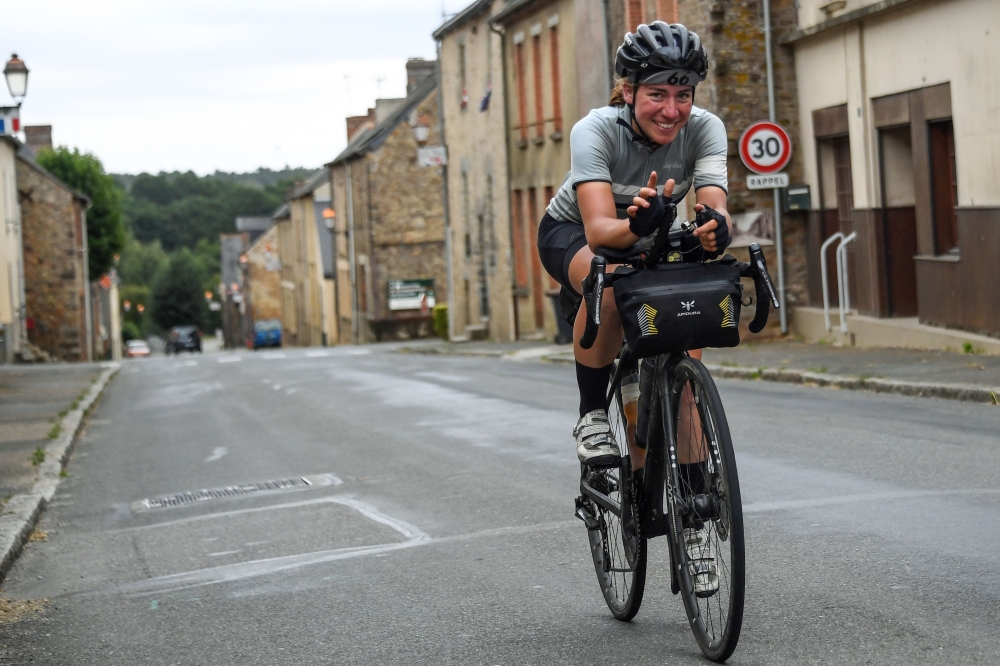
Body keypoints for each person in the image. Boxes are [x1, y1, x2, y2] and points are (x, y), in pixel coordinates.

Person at [538, 21, 732, 593]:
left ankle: (692, 518)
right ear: (628, 90)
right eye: (657, 94)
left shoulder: (706, 129)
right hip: (575, 236)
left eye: (683, 94)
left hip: (653, 234)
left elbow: (713, 206)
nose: (671, 109)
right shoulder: (595, 131)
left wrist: (714, 229)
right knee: (614, 282)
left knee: (686, 365)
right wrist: (635, 224)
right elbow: (599, 231)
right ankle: (593, 415)